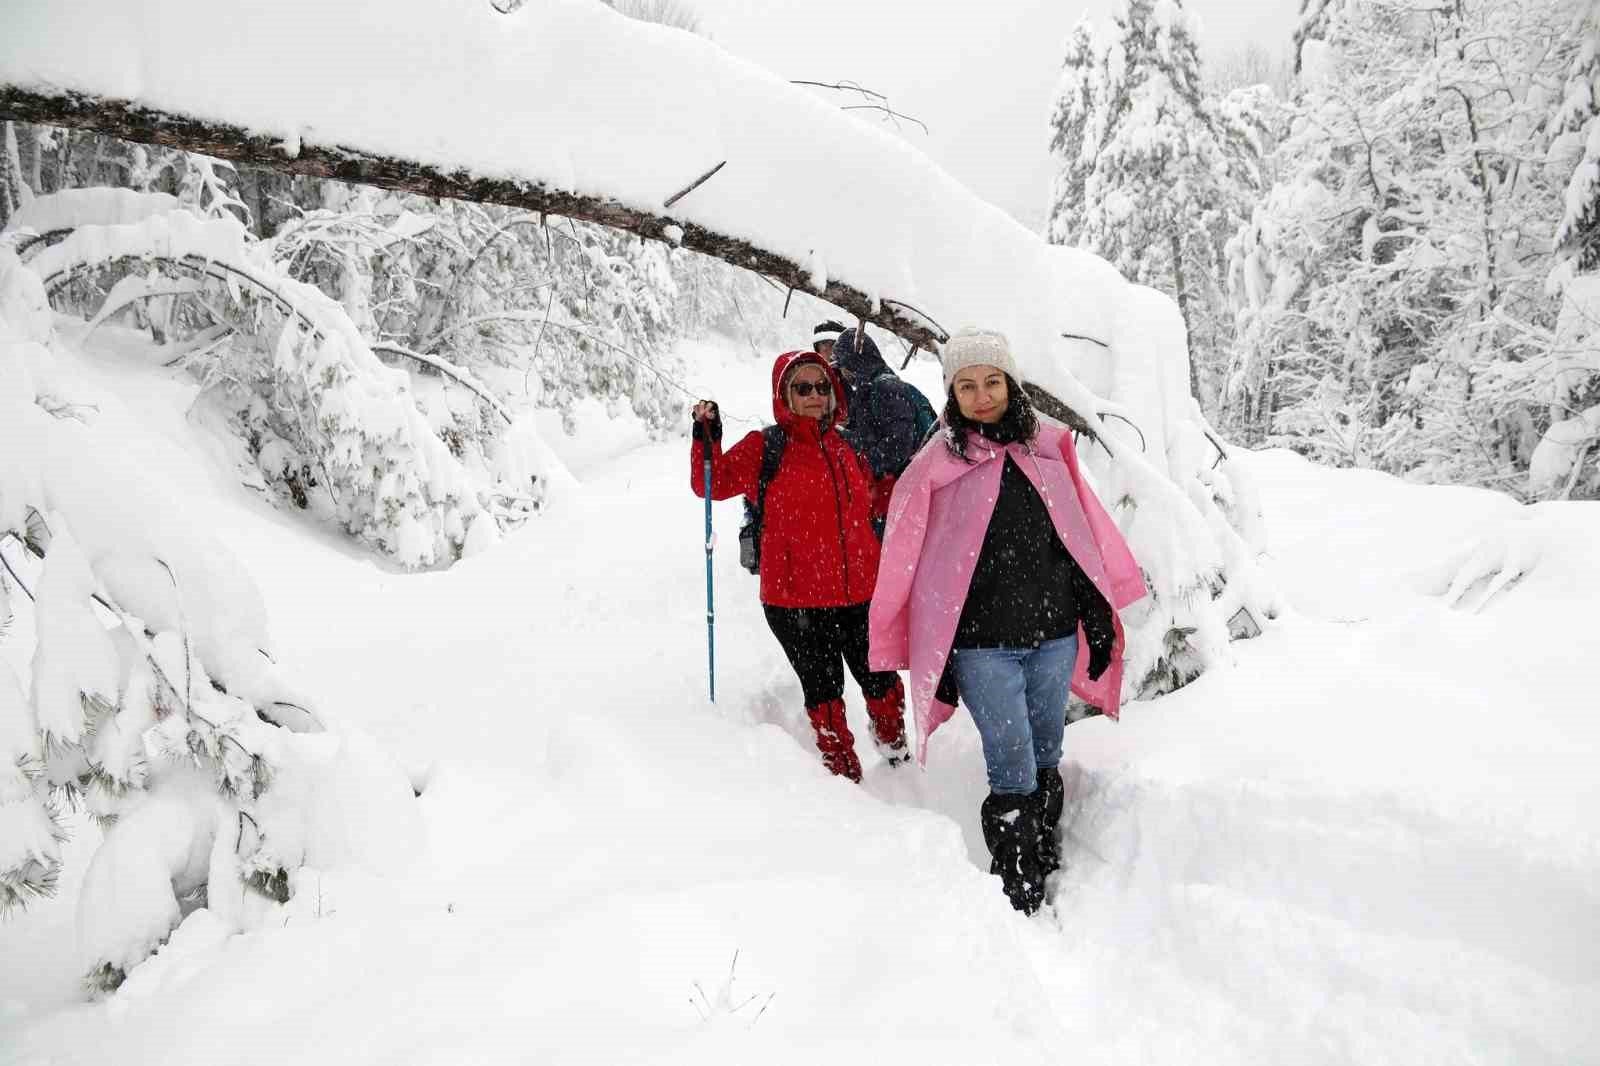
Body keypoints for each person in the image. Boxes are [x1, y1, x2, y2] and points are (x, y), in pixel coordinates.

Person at [867, 328, 1146, 914]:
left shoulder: (1047, 450)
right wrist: (931, 654)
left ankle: (1043, 846)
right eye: (967, 385)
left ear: (1010, 382)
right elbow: (918, 564)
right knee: (1012, 760)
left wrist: (1095, 615)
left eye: (992, 380)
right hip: (981, 648)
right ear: (952, 394)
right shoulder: (937, 465)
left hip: (1052, 637)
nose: (982, 394)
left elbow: (1080, 543)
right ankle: (1016, 880)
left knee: (1046, 750)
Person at [691, 350, 910, 781]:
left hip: (860, 592)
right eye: (802, 387)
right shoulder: (766, 447)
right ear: (784, 395)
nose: (814, 395)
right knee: (824, 691)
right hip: (797, 602)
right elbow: (709, 482)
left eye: (822, 386)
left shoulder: (849, 445)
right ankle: (842, 772)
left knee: (881, 680)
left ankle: (896, 751)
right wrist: (706, 437)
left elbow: (876, 498)